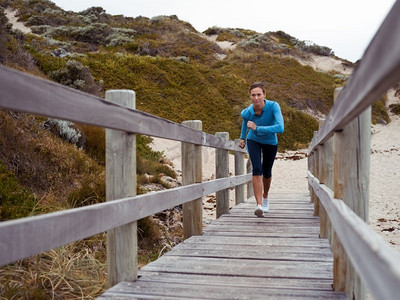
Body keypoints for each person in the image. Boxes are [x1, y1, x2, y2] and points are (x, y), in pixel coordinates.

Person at [239, 82, 284, 217]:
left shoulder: (273, 106)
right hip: (253, 140)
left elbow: (280, 128)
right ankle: (259, 205)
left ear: (264, 95)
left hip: (270, 142)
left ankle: (265, 196)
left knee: (267, 171)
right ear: (250, 96)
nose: (256, 97)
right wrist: (242, 138)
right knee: (256, 169)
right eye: (253, 95)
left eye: (259, 94)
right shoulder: (246, 112)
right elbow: (245, 121)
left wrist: (258, 128)